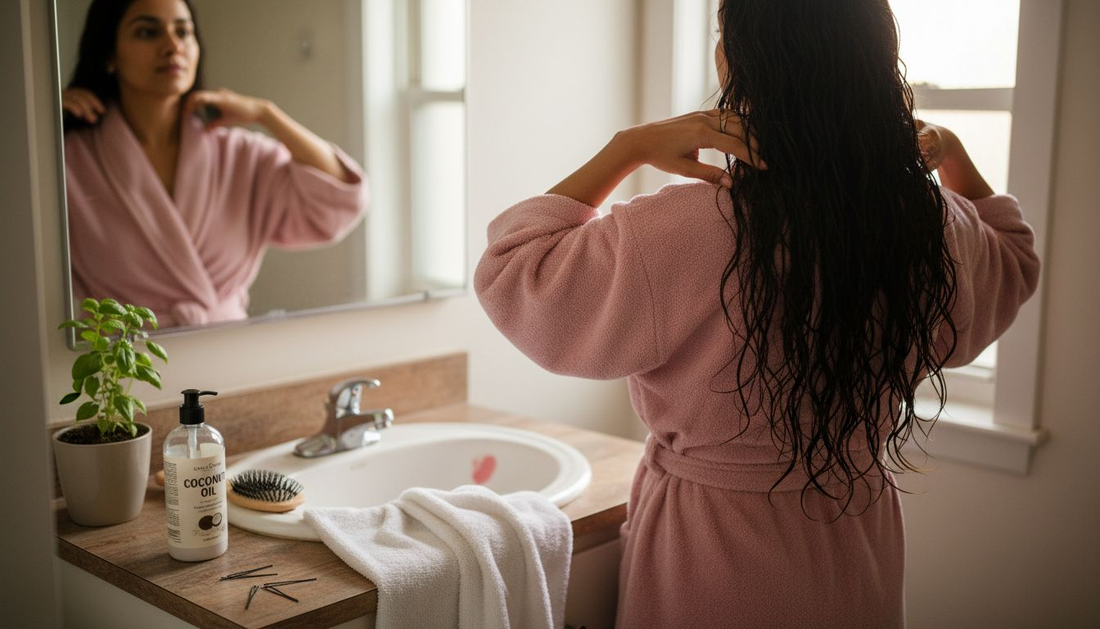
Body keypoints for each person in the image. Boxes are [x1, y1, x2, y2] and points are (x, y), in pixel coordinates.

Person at [475, 1, 1040, 627]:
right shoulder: (929, 226)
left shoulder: (683, 230)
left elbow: (515, 274)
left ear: (734, 60)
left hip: (713, 553)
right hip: (859, 548)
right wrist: (955, 155)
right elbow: (1014, 259)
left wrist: (627, 149)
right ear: (875, 63)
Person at [62, 0, 367, 329]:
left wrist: (267, 114)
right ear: (108, 53)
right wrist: (37, 128)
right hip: (123, 371)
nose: (172, 46)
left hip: (228, 359)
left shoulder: (239, 155)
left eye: (183, 32)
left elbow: (340, 202)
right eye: (148, 32)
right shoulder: (68, 161)